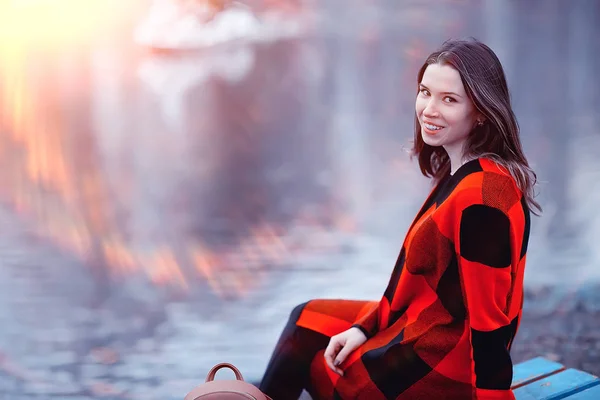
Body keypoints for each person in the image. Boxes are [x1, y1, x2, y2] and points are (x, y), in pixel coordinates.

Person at [259, 38, 541, 400]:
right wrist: (365, 328)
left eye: (449, 100)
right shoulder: (466, 173)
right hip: (421, 323)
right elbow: (416, 284)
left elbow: (490, 326)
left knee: (316, 365)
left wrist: (492, 395)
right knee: (305, 319)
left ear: (482, 111)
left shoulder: (481, 200)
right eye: (425, 92)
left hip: (440, 363)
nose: (429, 110)